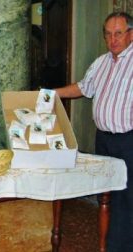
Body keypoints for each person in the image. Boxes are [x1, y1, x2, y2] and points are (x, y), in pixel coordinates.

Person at [55, 12, 133, 252]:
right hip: (104, 140)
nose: (113, 39)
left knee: (128, 199)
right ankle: (111, 244)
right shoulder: (101, 62)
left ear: (131, 34)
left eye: (118, 33)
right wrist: (51, 94)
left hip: (129, 141)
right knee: (107, 196)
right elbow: (82, 87)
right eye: (108, 34)